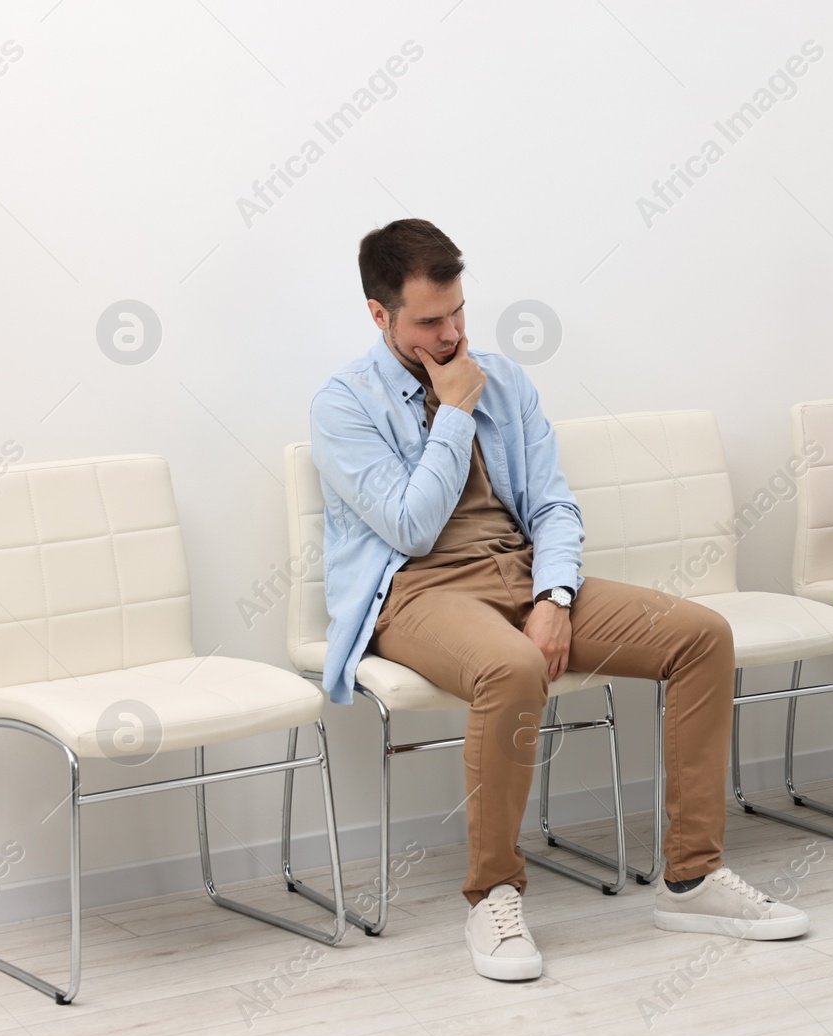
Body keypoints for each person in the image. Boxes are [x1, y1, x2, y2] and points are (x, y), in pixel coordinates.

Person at [310, 219, 807, 981]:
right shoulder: (343, 404)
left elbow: (554, 507)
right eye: (428, 321)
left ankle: (692, 878)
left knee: (702, 635)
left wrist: (556, 594)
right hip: (416, 594)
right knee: (511, 668)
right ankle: (494, 895)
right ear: (379, 315)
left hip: (522, 573)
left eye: (459, 312)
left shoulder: (506, 380)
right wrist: (452, 412)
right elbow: (410, 528)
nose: (451, 334)